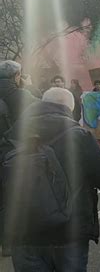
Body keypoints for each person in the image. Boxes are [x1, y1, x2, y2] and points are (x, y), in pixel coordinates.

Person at [3, 87, 100, 271]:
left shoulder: (13, 134)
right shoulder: (80, 136)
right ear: (70, 109)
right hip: (68, 232)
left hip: (24, 233)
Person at [0, 61, 38, 256]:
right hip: (12, 151)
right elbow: (42, 109)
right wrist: (29, 86)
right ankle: (8, 242)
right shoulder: (21, 95)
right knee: (12, 196)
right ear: (16, 76)